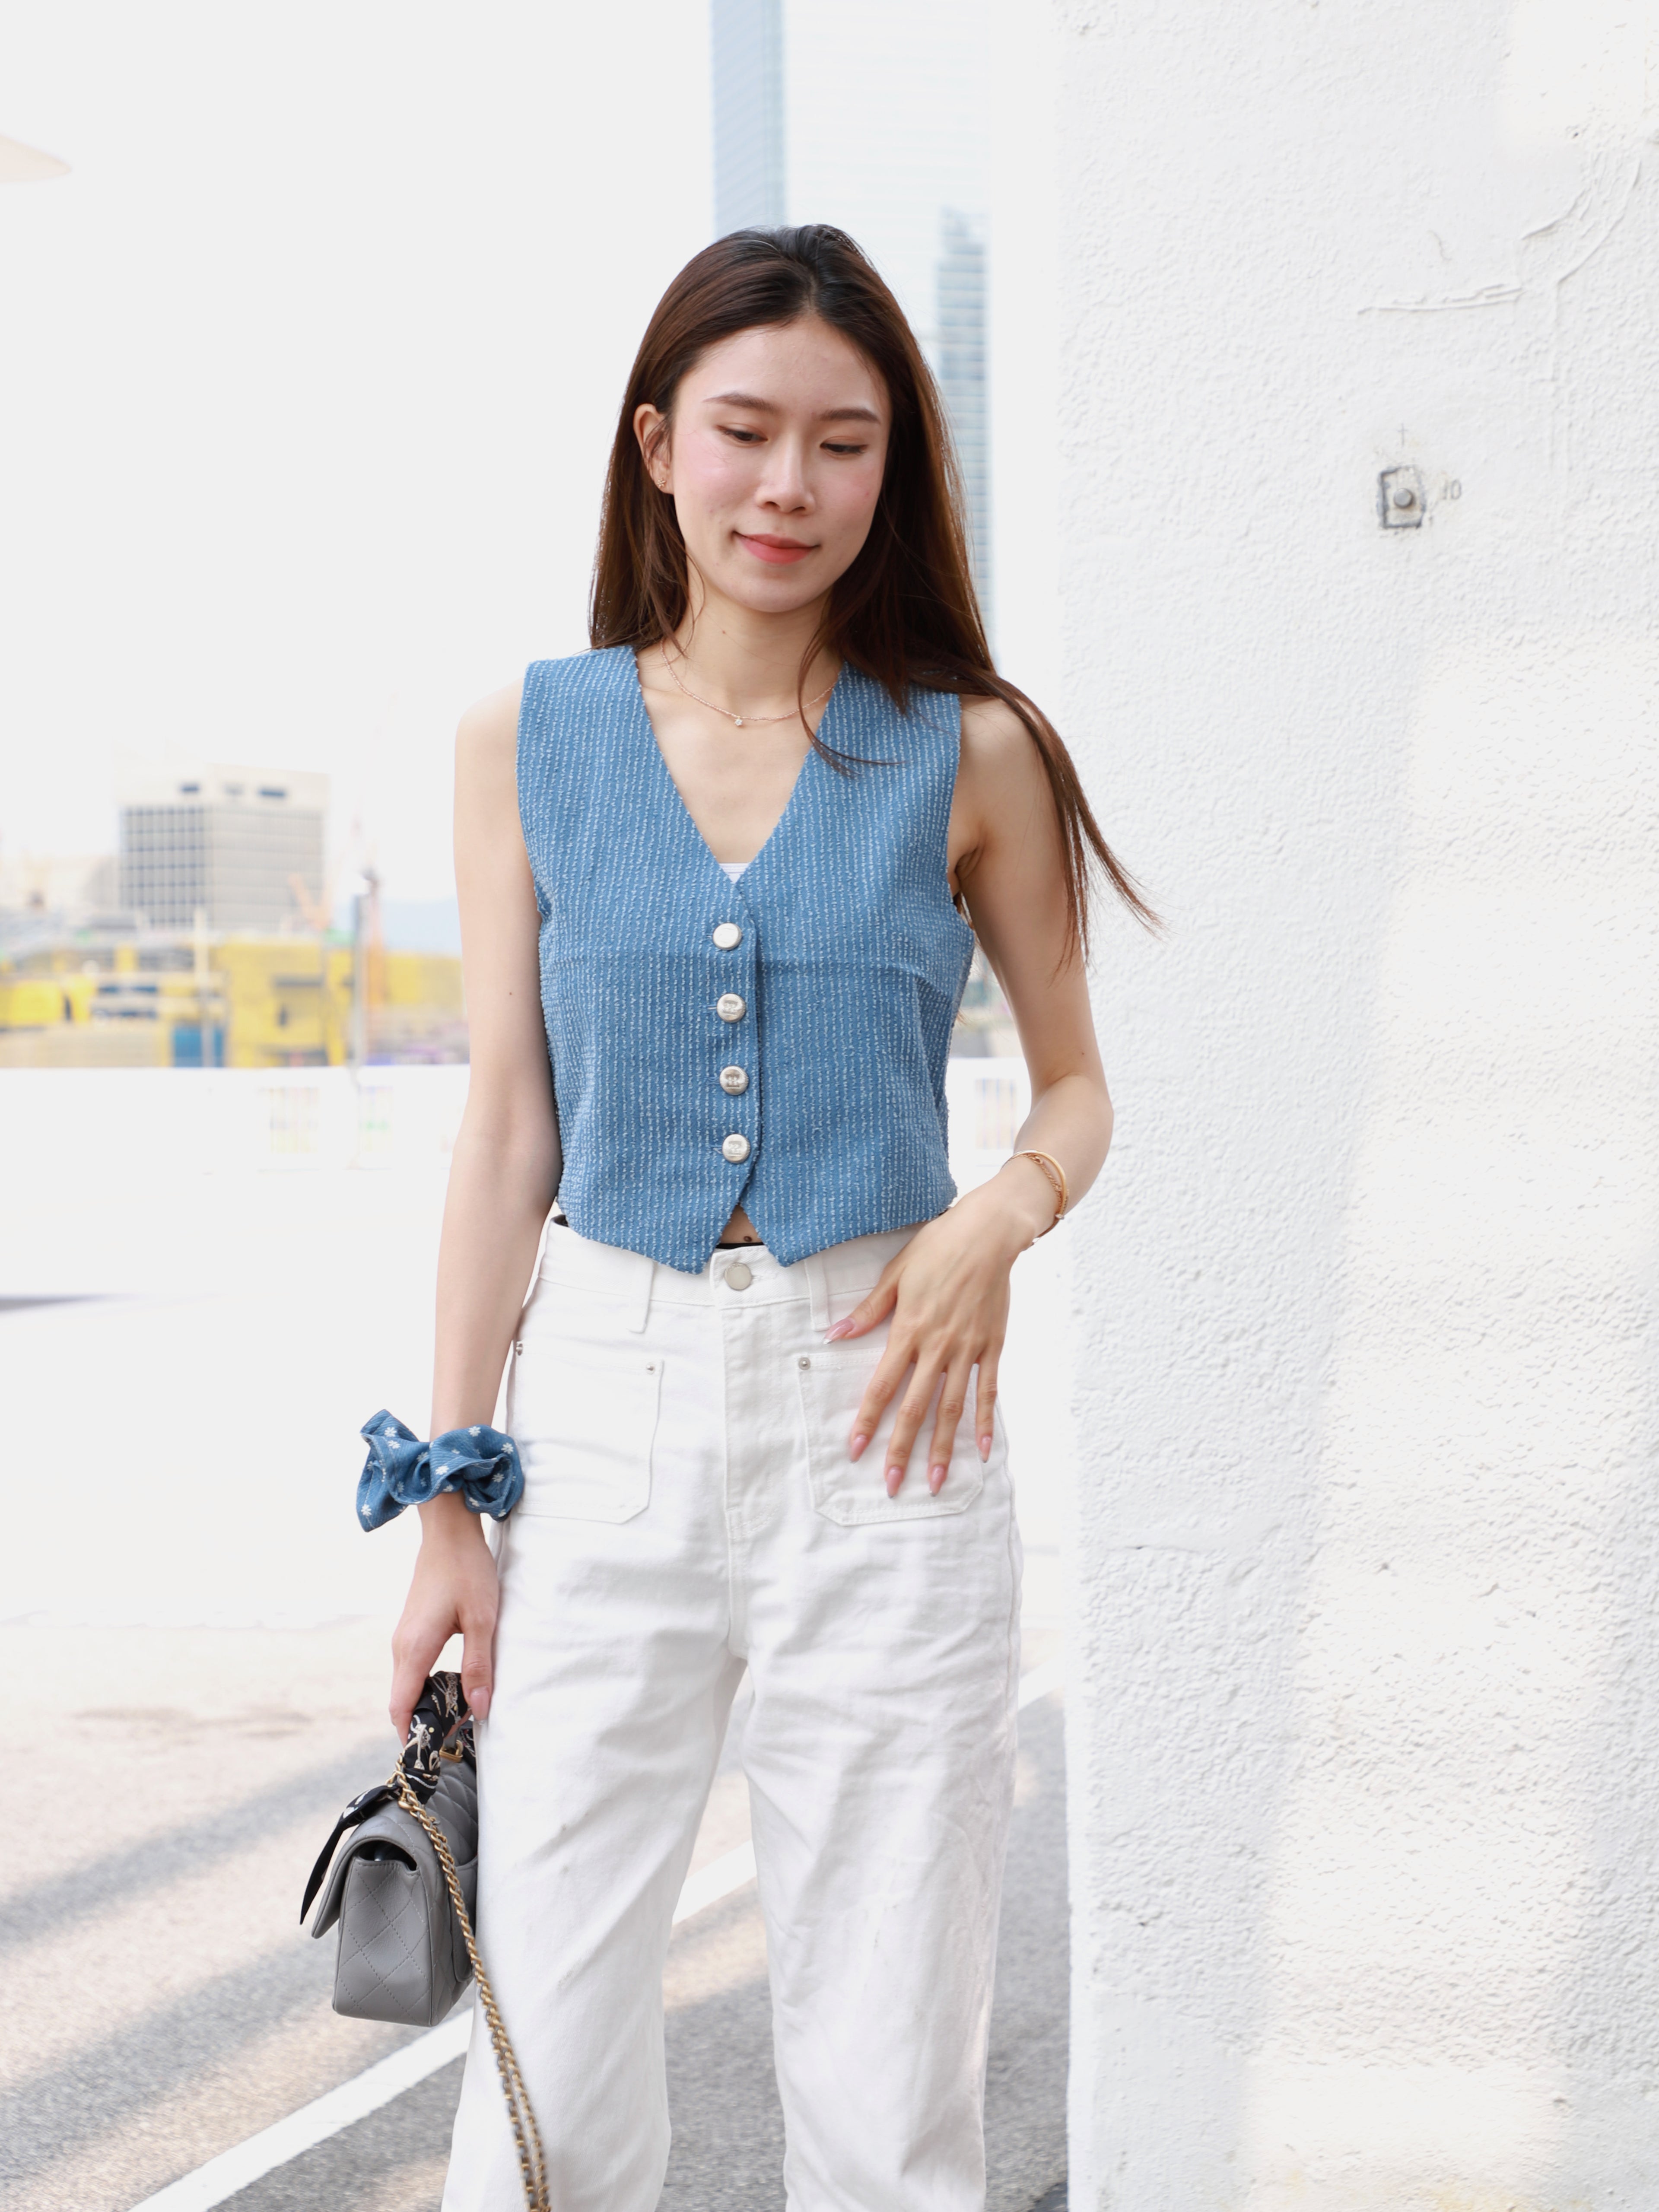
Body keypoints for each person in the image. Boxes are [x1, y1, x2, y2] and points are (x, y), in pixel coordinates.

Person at [389, 224, 1147, 2212]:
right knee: (544, 2054)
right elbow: (504, 1130)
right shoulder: (526, 738)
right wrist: (451, 1506)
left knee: (892, 2070)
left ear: (895, 470)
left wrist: (999, 1214)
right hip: (609, 1418)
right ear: (658, 445)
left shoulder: (968, 748)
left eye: (843, 442)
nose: (788, 487)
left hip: (887, 1427)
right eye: (742, 431)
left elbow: (1078, 1088)